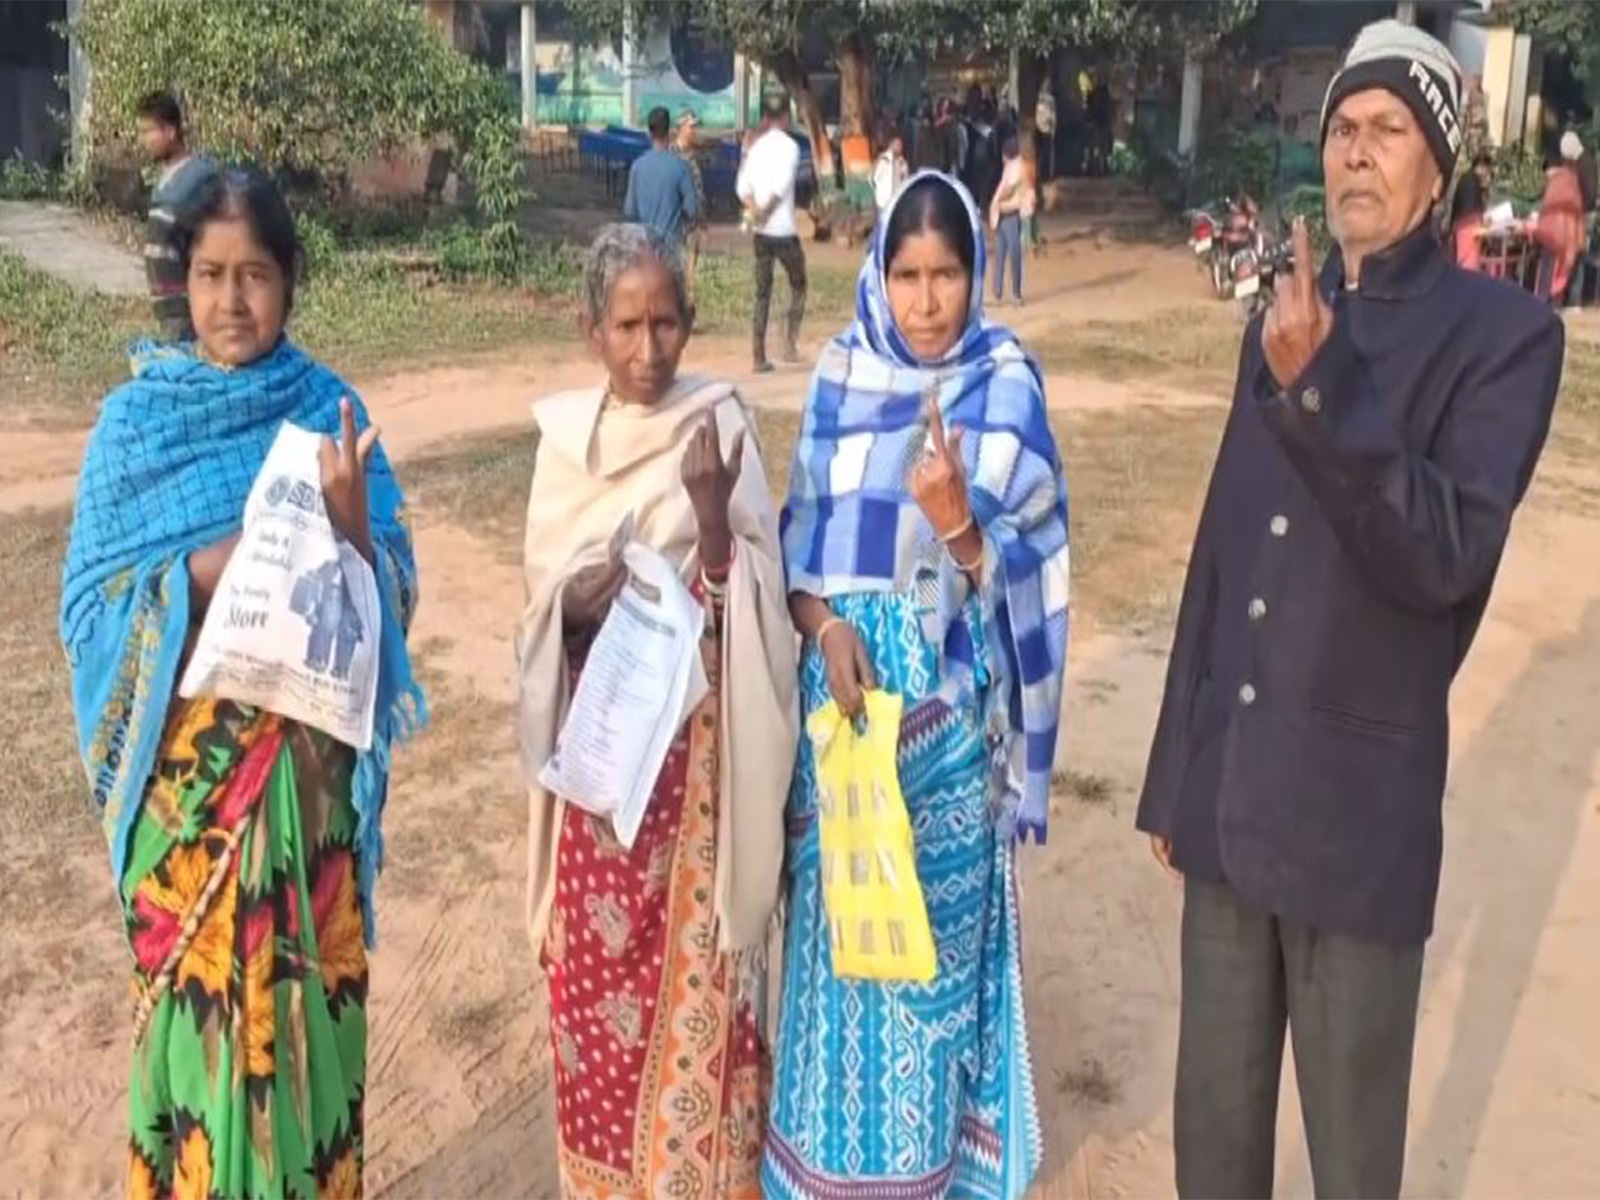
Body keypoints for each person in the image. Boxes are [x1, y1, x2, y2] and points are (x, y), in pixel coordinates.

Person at [1136, 22, 1564, 1199]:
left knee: (1350, 1166)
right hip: (1231, 807)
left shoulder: (1505, 339)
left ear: (1438, 171)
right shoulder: (1281, 314)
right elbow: (1221, 551)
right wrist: (1178, 768)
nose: (1355, 155)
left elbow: (1442, 554)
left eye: (1388, 132)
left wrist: (1321, 383)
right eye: (1340, 131)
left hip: (1357, 825)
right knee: (1213, 1150)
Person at [61, 167, 425, 1197]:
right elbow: (91, 618)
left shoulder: (330, 411)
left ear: (289, 281)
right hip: (189, 816)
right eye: (212, 274)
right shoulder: (136, 428)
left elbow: (395, 587)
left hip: (305, 806)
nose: (231, 301)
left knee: (307, 1044)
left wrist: (353, 529)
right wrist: (209, 569)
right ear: (183, 282)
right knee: (196, 1050)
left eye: (254, 275)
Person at [764, 172, 1069, 1200]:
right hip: (847, 731)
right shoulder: (841, 376)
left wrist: (957, 527)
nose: (927, 301)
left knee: (928, 974)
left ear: (976, 275)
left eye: (946, 274)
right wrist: (829, 622)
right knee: (841, 957)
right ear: (878, 276)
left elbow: (1032, 580)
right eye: (907, 275)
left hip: (946, 754)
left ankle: (930, 1175)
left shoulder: (1007, 384)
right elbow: (797, 553)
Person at [517, 223, 798, 1198]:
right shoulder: (564, 452)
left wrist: (714, 524)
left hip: (697, 799)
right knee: (592, 1020)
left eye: (667, 323)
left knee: (706, 1012)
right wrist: (574, 604)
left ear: (690, 323)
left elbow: (762, 605)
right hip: (601, 804)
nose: (649, 352)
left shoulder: (721, 427)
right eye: (628, 326)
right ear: (590, 328)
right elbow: (535, 622)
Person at [135, 91, 217, 341]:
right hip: (169, 313)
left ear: (170, 132)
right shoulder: (165, 181)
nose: (143, 140)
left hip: (189, 312)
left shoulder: (199, 178)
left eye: (149, 132)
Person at [737, 92, 806, 373]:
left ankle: (758, 355)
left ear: (766, 117)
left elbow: (742, 188)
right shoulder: (791, 147)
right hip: (784, 231)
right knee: (798, 284)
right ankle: (789, 344)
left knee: (762, 293)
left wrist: (755, 210)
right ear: (786, 117)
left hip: (762, 234)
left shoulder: (756, 148)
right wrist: (765, 210)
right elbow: (782, 185)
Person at [624, 105, 700, 246]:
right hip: (672, 249)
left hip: (645, 249)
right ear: (669, 131)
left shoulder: (637, 167)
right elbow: (692, 210)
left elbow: (629, 211)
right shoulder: (682, 167)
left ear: (649, 132)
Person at [1532, 140, 1585, 306]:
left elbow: (1549, 212)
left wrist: (1536, 223)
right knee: (1563, 272)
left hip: (1553, 235)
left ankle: (1543, 300)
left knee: (1548, 269)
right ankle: (1556, 300)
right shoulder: (1571, 179)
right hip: (1570, 234)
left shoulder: (1556, 182)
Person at [673, 108, 708, 303]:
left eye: (695, 127)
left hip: (694, 224)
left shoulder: (694, 156)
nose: (694, 131)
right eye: (691, 127)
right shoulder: (673, 154)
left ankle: (689, 309)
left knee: (691, 272)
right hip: (679, 223)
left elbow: (699, 189)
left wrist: (703, 221)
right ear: (681, 128)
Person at [990, 136, 1027, 305]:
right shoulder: (1011, 167)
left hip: (1010, 214)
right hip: (1003, 214)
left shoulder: (1016, 167)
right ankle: (999, 292)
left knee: (1013, 255)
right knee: (1001, 254)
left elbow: (1010, 188)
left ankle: (1015, 294)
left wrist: (998, 200)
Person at [1449, 150, 1493, 270]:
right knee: (1469, 265)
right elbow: (1475, 213)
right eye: (1487, 168)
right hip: (1468, 229)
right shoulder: (1471, 183)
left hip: (1461, 227)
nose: (1487, 173)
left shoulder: (1468, 179)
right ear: (1481, 167)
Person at [873, 130, 909, 215]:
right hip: (884, 202)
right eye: (898, 145)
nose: (900, 148)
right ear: (891, 145)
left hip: (897, 201)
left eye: (901, 145)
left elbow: (906, 180)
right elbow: (874, 179)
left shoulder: (903, 162)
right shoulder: (884, 160)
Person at [1035, 82, 1057, 182]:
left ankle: (1043, 174)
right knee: (1044, 153)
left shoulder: (1042, 99)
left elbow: (1052, 115)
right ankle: (1044, 174)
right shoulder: (1049, 100)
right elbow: (1052, 116)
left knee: (1042, 154)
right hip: (1043, 128)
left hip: (1041, 128)